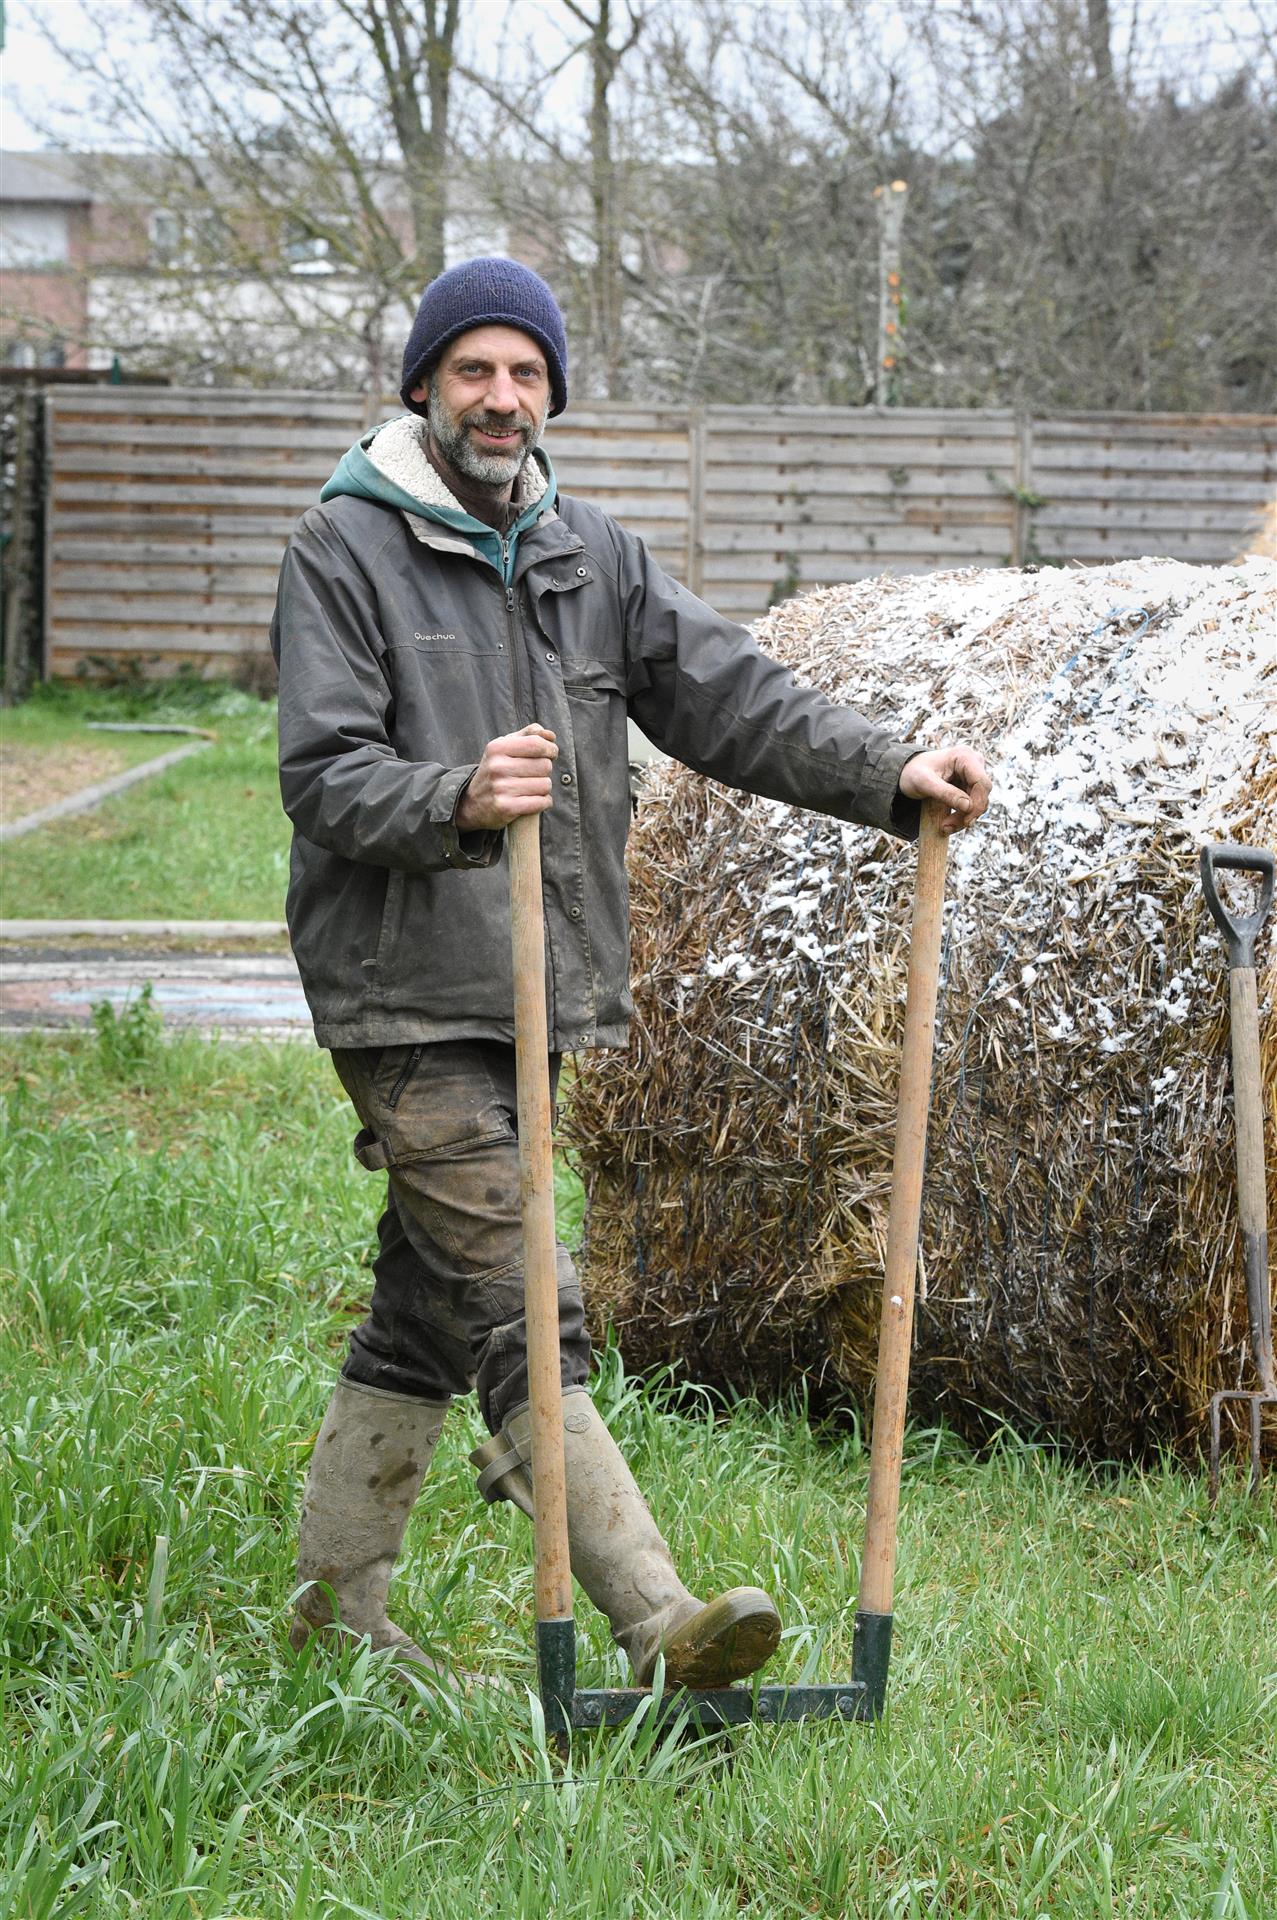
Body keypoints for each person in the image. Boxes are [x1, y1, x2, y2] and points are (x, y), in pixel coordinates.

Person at [272, 256, 991, 1693]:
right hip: (404, 986)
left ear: (551, 395)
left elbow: (731, 696)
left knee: (430, 1298)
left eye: (525, 373)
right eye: (472, 370)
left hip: (543, 983)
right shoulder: (342, 550)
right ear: (422, 386)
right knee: (525, 1292)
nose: (500, 397)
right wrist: (454, 797)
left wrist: (887, 768)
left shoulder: (589, 555)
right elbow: (322, 774)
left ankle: (327, 1614)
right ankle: (655, 1619)